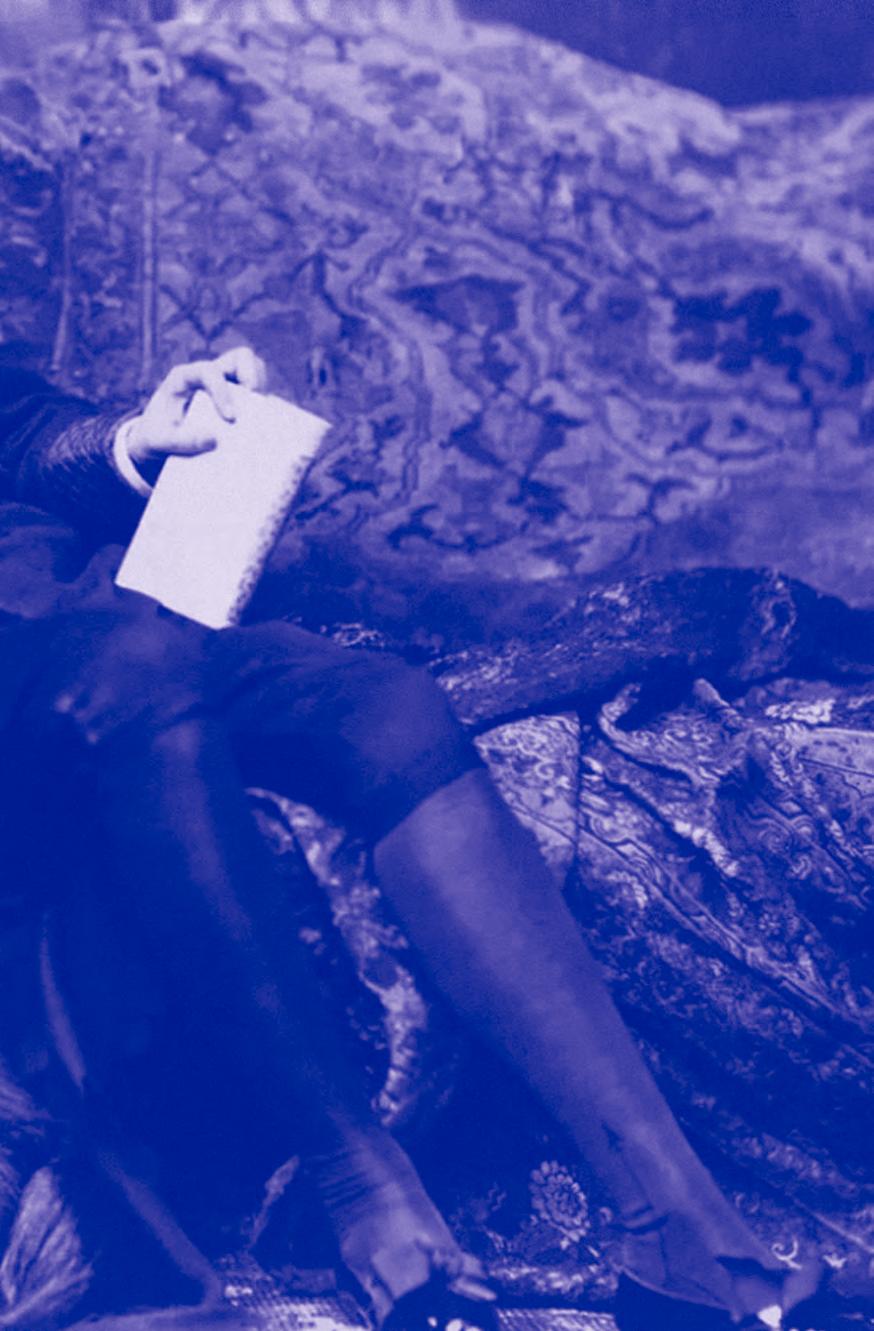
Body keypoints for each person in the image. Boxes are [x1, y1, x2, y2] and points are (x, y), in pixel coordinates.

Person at [0, 350, 836, 1330]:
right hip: (67, 671)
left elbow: (21, 429)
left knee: (387, 705)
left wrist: (133, 441)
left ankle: (678, 1229)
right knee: (136, 672)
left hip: (69, 615)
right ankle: (361, 1190)